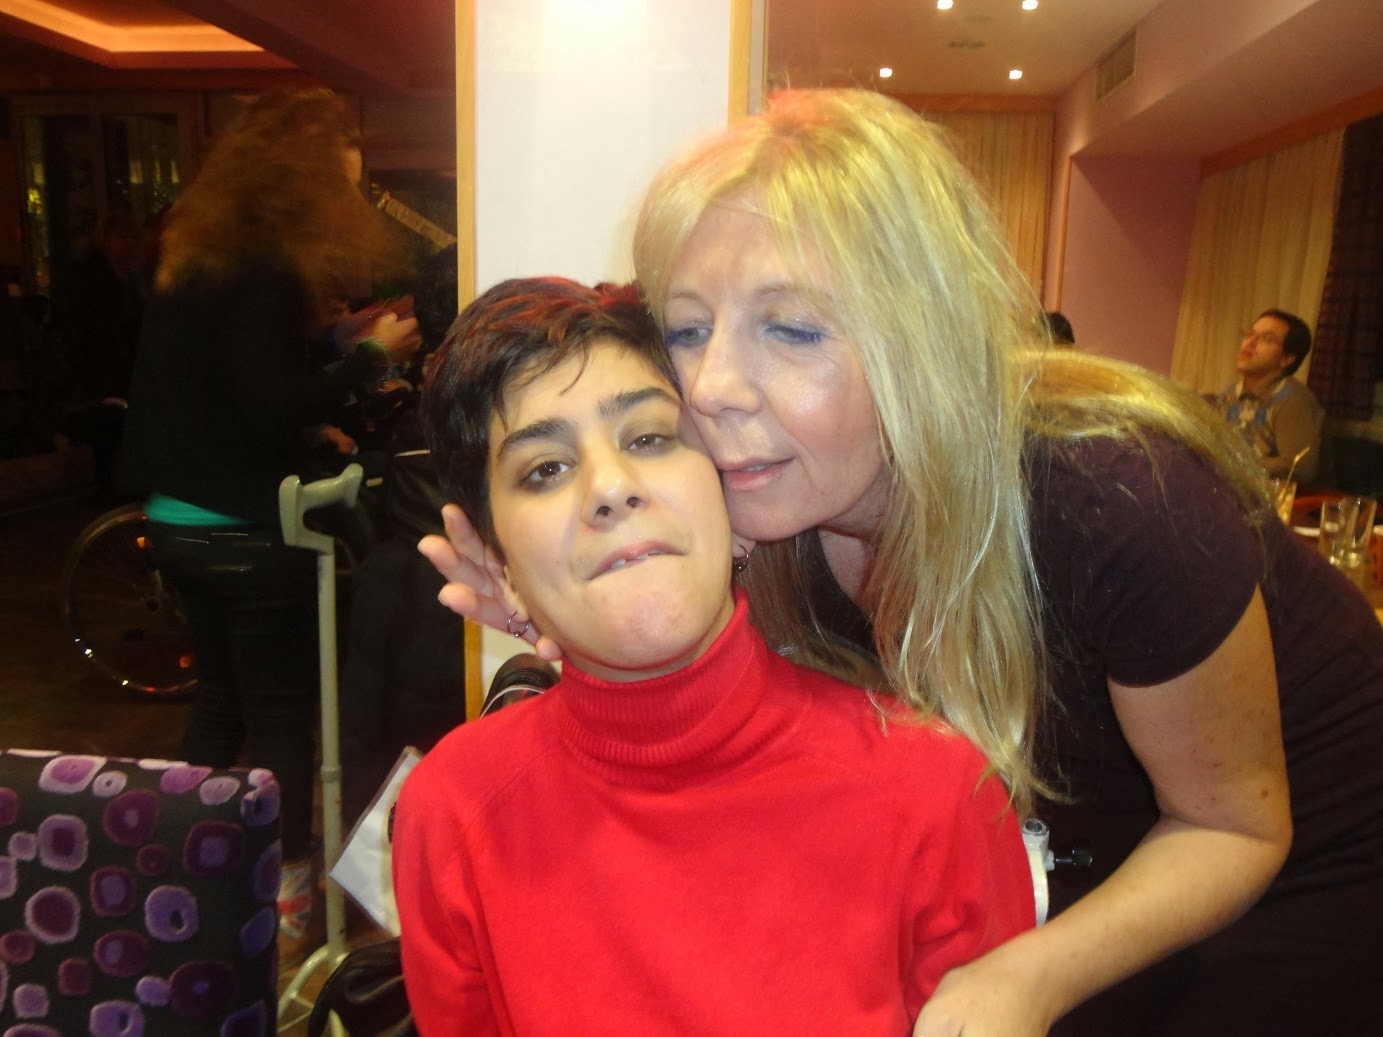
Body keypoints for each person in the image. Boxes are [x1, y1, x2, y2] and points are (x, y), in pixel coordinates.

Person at [423, 89, 1383, 1037]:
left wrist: (1027, 977)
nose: (710, 387)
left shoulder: (1111, 501)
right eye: (688, 328)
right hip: (1079, 838)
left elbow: (1232, 823)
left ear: (918, 341)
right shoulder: (770, 499)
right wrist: (572, 608)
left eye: (791, 329)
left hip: (1292, 847)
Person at [394, 276, 1033, 1034]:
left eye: (648, 438)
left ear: (732, 504)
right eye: (545, 469)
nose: (610, 488)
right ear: (501, 566)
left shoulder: (937, 793)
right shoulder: (454, 813)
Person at [118, 89, 419, 959]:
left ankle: (185, 872)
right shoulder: (264, 267)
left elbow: (221, 384)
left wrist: (325, 357)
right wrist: (369, 359)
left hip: (175, 519)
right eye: (342, 179)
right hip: (245, 529)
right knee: (285, 721)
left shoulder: (201, 253)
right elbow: (266, 402)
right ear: (306, 180)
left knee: (220, 707)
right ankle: (284, 904)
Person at [1213, 309, 1325, 485]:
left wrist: (1236, 464)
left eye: (1266, 339)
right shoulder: (1229, 395)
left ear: (1287, 359)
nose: (1250, 343)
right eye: (1250, 334)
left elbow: (1300, 468)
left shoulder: (1292, 400)